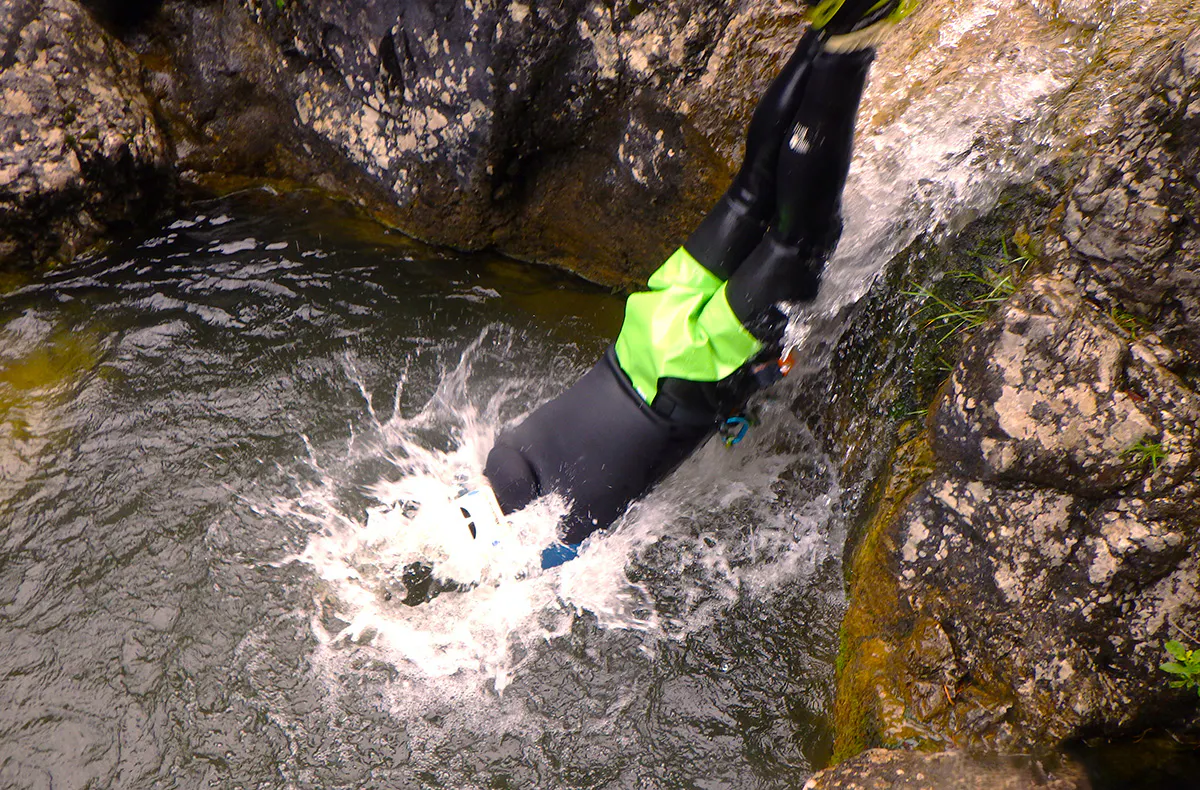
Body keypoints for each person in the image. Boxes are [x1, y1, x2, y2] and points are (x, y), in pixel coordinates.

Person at [475, 0, 914, 568]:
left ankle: (848, 40)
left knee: (797, 244)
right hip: (642, 332)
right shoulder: (493, 465)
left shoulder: (539, 561)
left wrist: (748, 378)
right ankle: (819, 31)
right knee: (749, 194)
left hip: (682, 376)